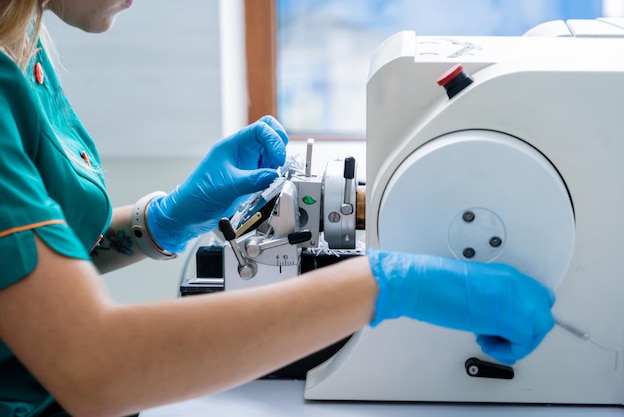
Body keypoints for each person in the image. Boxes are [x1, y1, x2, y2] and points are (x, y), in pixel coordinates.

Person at [0, 1, 556, 417]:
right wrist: (387, 285)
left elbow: (30, 266)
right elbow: (93, 368)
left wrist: (162, 220)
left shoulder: (22, 31)